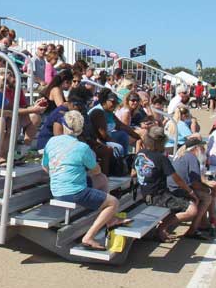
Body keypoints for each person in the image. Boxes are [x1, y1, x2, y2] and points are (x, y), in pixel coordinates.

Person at [43, 111, 132, 251]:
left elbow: (45, 166)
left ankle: (110, 219)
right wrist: (85, 171)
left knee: (102, 180)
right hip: (74, 191)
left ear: (65, 126)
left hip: (56, 189)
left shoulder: (52, 141)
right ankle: (89, 236)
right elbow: (96, 170)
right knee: (113, 201)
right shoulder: (82, 147)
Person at [135, 126, 201, 242]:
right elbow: (177, 179)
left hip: (146, 194)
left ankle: (161, 228)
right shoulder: (161, 158)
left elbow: (132, 173)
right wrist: (191, 192)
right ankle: (161, 230)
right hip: (158, 197)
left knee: (180, 199)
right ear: (161, 142)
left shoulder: (140, 153)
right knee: (192, 210)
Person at [167, 137, 216, 239]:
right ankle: (193, 229)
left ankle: (204, 223)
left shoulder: (182, 155)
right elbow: (194, 183)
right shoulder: (191, 157)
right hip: (176, 189)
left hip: (174, 187)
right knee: (207, 197)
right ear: (196, 148)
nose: (203, 149)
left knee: (207, 195)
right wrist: (208, 190)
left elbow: (195, 181)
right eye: (201, 147)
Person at [84, 88, 140, 174]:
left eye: (116, 102)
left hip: (106, 138)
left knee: (123, 135)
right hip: (96, 141)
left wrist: (137, 136)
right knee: (118, 147)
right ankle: (115, 170)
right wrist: (115, 143)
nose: (115, 104)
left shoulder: (109, 112)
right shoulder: (98, 112)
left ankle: (122, 162)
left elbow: (121, 126)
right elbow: (103, 136)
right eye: (112, 102)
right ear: (104, 101)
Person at [36, 86, 91, 150]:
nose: (84, 109)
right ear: (74, 105)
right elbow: (60, 140)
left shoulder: (79, 112)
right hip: (48, 148)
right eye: (83, 106)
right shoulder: (60, 115)